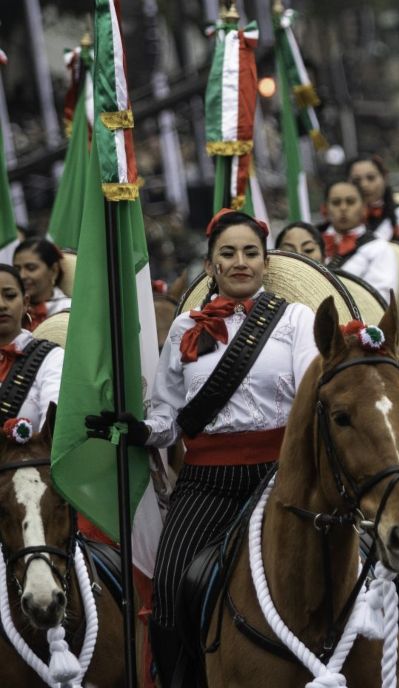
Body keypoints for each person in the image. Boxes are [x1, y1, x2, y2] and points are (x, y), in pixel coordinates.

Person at [89, 210, 320, 685]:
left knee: (370, 556)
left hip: (282, 475)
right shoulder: (184, 330)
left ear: (265, 262)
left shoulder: (296, 319)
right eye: (228, 254)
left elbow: (315, 395)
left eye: (250, 253)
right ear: (211, 264)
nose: (240, 262)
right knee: (170, 589)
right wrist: (133, 431)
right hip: (207, 481)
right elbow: (168, 418)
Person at [0, 264, 64, 435]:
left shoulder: (51, 358)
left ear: (26, 302)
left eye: (10, 295)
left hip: (29, 461)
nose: (1, 305)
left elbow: (54, 427)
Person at [323, 181, 399, 302]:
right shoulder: (313, 242)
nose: (343, 208)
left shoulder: (378, 248)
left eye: (350, 202)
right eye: (336, 202)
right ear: (326, 208)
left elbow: (380, 299)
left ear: (364, 207)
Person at [13, 239, 70, 330]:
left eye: (31, 268)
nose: (22, 275)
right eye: (17, 269)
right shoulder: (7, 307)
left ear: (54, 270)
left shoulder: (68, 310)